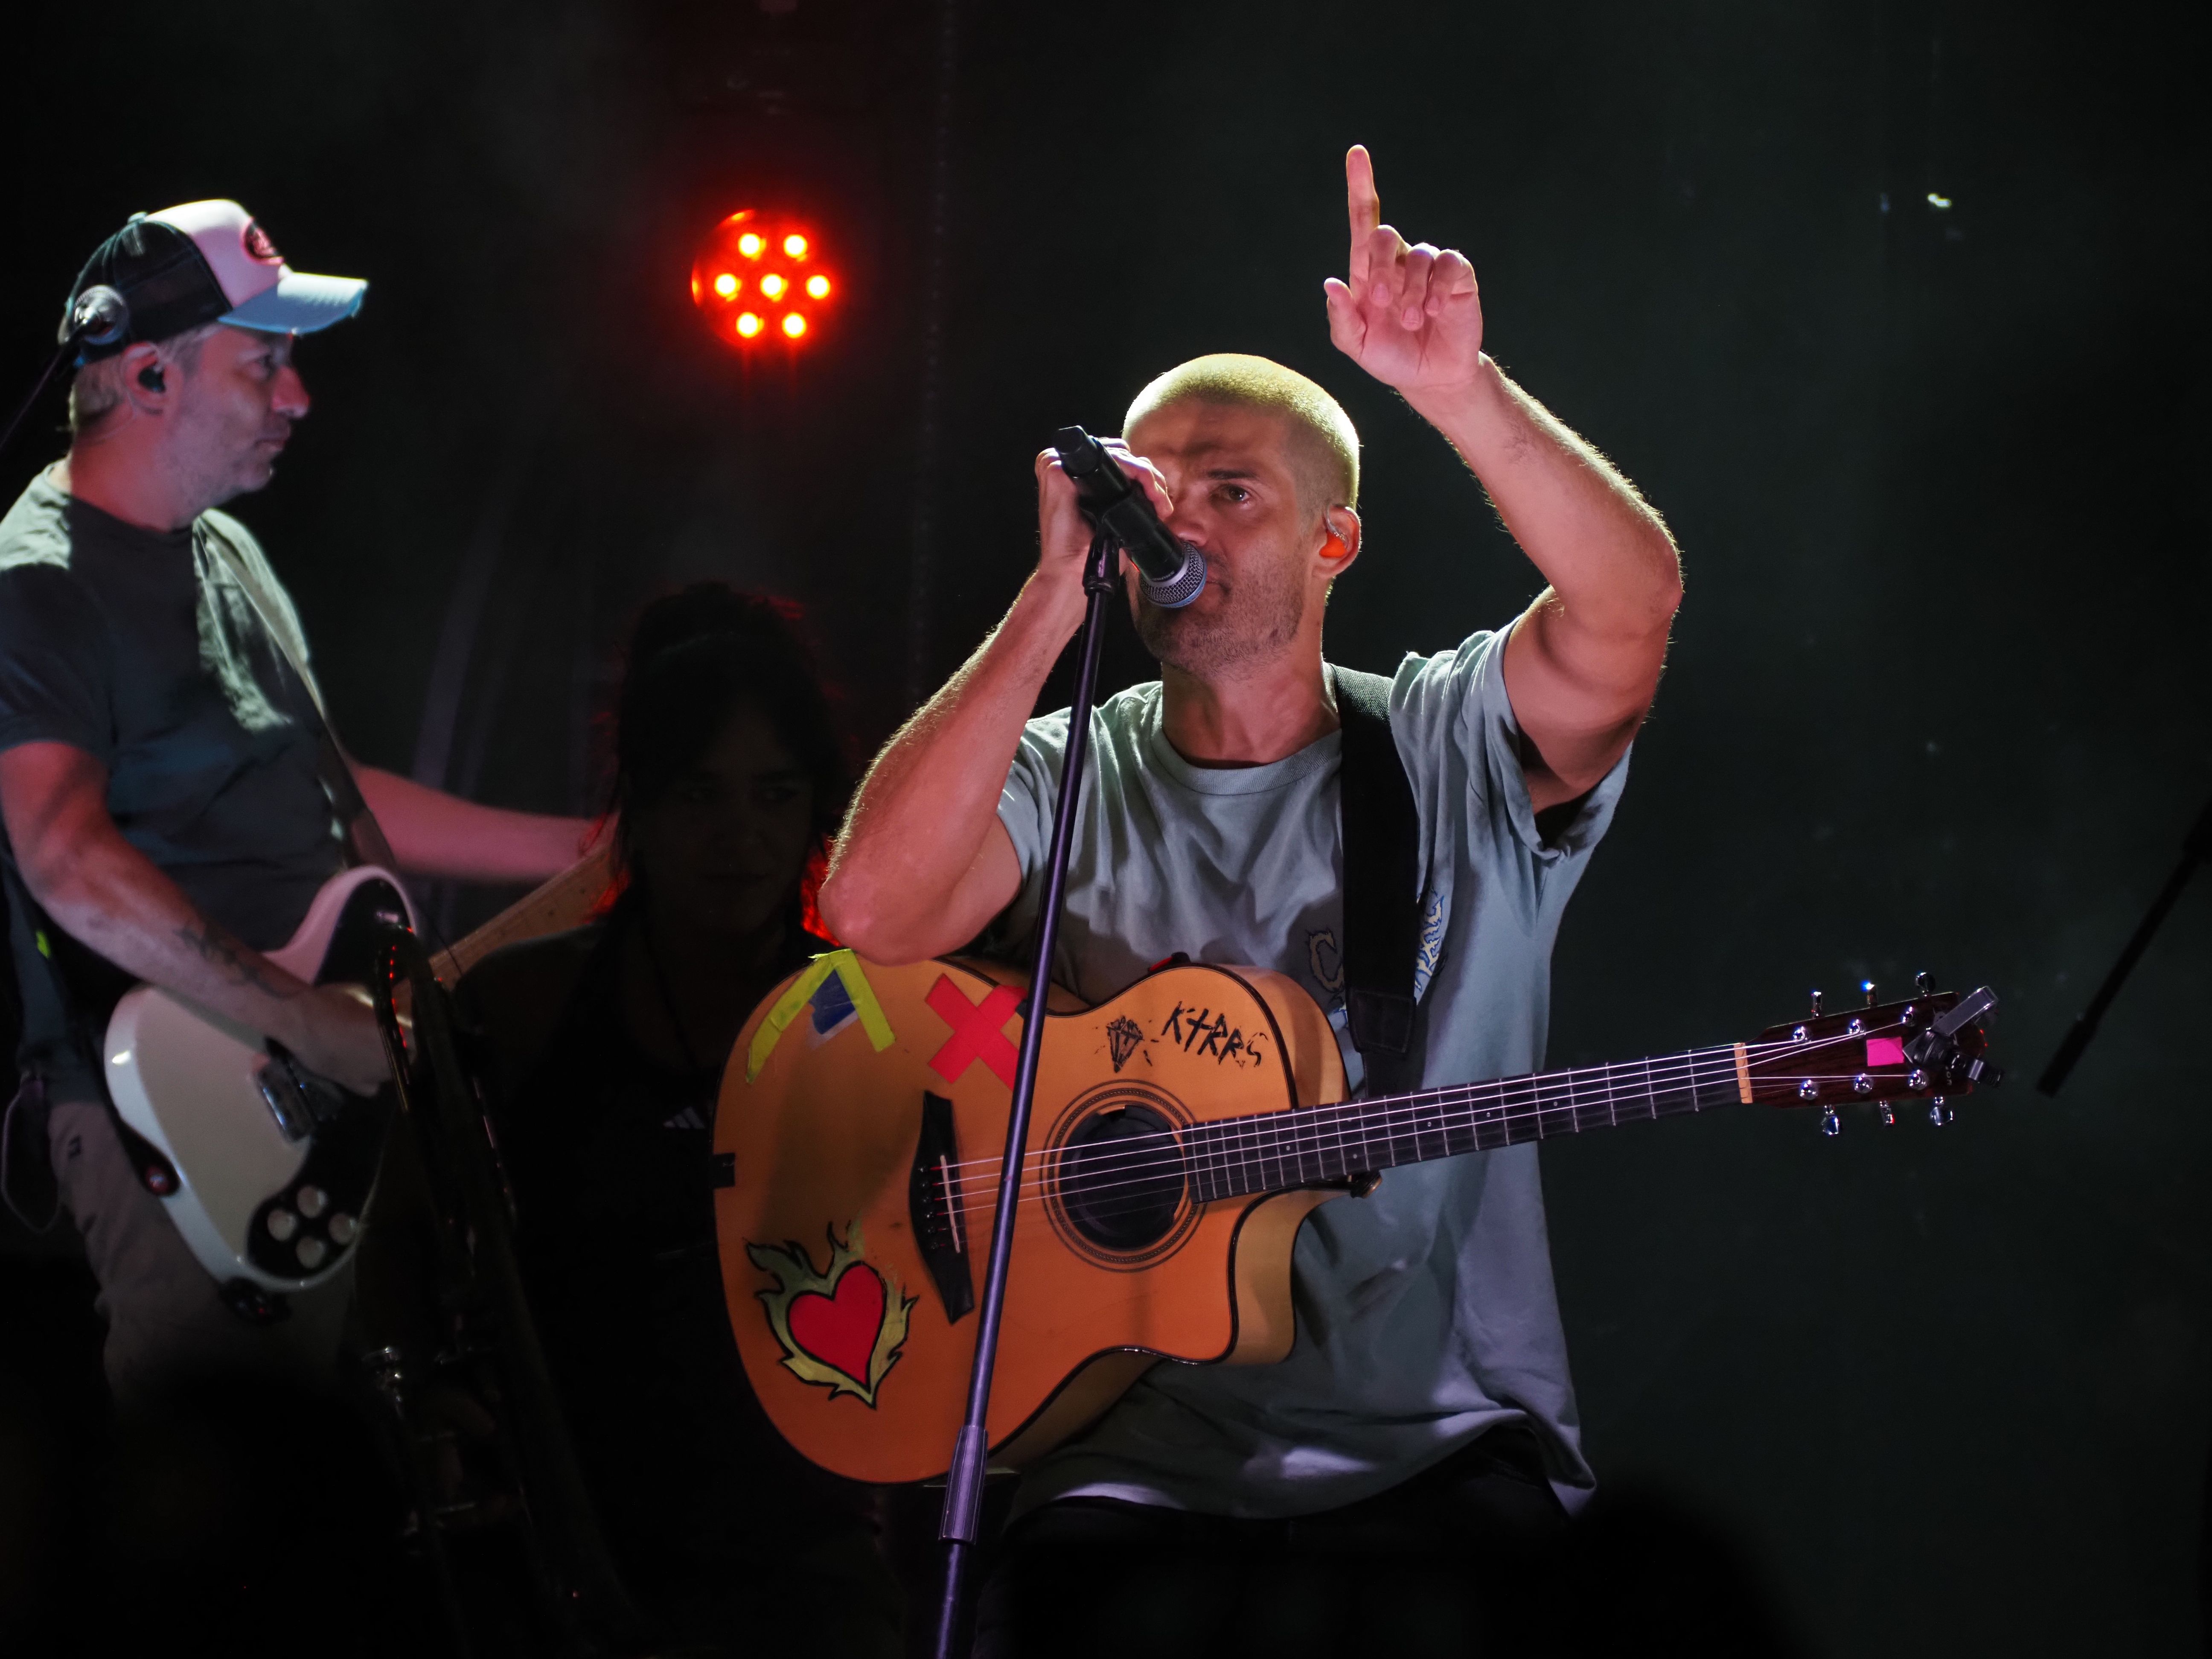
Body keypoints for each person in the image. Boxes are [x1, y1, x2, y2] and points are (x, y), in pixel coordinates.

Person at [819, 144, 1684, 1656]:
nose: (1191, 528)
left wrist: (1455, 391)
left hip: (1434, 1451)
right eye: (1166, 492)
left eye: (1237, 492)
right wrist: (1046, 605)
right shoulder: (1059, 761)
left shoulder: (1445, 736)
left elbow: (1629, 611)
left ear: (1334, 538)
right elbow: (870, 914)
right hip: (1115, 1457)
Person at [0, 201, 594, 1405]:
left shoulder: (227, 553)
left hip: (319, 1096)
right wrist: (301, 1020)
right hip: (171, 1113)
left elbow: (331, 790)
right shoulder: (40, 581)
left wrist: (584, 850)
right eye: (265, 363)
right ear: (150, 373)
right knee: (220, 1525)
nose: (299, 397)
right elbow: (61, 856)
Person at [459, 584, 903, 1658]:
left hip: (808, 1560)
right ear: (639, 809)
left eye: (774, 793)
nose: (739, 835)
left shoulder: (872, 1021)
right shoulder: (521, 1008)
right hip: (564, 1552)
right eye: (700, 795)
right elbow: (409, 1261)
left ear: (815, 812)